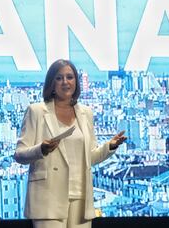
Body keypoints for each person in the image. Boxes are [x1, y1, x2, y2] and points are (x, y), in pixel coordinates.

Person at [14, 59, 127, 228]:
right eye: (59, 78)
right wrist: (41, 149)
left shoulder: (86, 113)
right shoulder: (36, 111)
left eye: (70, 77)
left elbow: (89, 157)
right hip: (48, 195)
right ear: (51, 83)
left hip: (80, 196)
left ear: (76, 82)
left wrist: (109, 146)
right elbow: (19, 154)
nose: (65, 82)